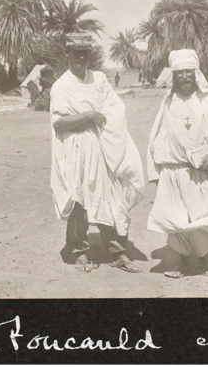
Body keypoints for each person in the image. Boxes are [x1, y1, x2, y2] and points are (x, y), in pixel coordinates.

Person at [49, 32, 145, 274]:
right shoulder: (61, 85)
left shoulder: (99, 79)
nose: (80, 58)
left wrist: (96, 122)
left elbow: (114, 110)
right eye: (76, 54)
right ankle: (78, 251)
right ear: (67, 54)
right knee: (79, 199)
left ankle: (117, 253)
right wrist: (90, 116)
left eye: (84, 53)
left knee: (109, 197)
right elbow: (59, 123)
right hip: (75, 150)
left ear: (89, 54)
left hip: (102, 145)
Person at [146, 49, 208, 278]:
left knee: (203, 215)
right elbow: (156, 138)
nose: (184, 77)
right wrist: (155, 171)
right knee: (176, 217)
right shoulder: (168, 102)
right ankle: (180, 261)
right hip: (173, 170)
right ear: (173, 76)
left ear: (196, 73)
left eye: (189, 72)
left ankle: (205, 258)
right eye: (179, 73)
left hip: (202, 171)